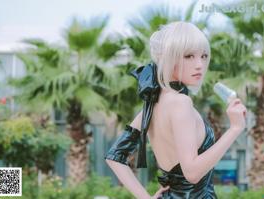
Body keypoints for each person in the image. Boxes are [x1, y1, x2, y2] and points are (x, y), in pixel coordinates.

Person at [104, 21, 247, 199]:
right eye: (188, 56)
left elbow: (114, 156)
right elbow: (193, 173)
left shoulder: (153, 105)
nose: (199, 65)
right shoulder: (181, 103)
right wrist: (234, 129)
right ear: (167, 57)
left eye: (203, 56)